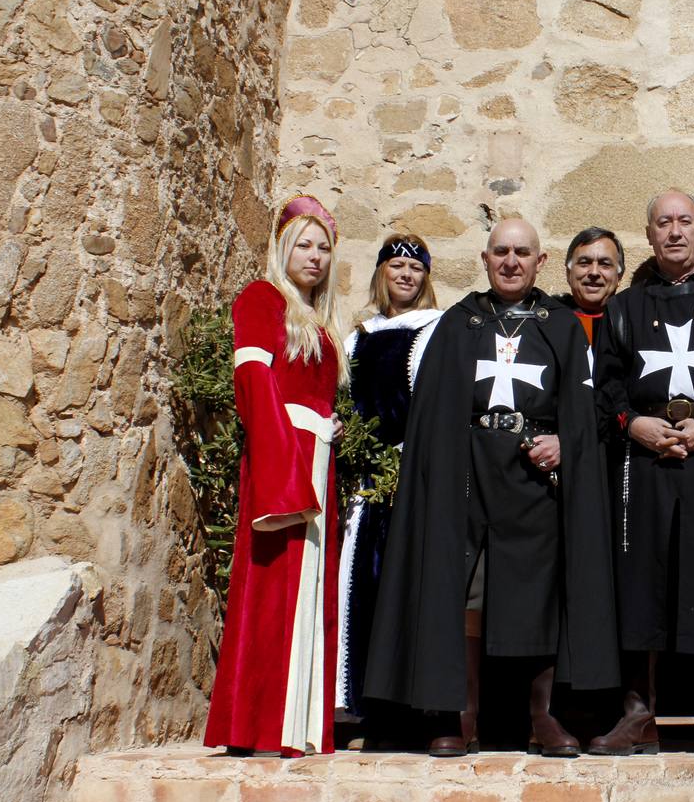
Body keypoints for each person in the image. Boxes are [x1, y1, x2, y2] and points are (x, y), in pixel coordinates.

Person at [364, 218, 618, 758]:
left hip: (535, 479)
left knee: (540, 593)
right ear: (484, 258)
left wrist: (562, 444)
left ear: (540, 261)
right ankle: (463, 715)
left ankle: (540, 718)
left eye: (522, 252)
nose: (510, 261)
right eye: (500, 251)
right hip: (469, 474)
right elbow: (434, 410)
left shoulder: (560, 325)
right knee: (467, 591)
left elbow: (582, 410)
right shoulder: (461, 324)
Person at [590, 189, 694, 756]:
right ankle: (638, 712)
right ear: (649, 235)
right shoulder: (625, 309)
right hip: (643, 458)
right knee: (640, 578)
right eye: (663, 223)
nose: (675, 232)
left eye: (685, 222)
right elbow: (605, 386)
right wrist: (633, 424)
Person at [204, 194, 348, 758]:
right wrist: (282, 469)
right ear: (283, 248)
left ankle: (295, 726)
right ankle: (255, 727)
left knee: (305, 589)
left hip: (317, 458)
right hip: (284, 460)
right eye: (304, 246)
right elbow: (256, 388)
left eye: (324, 248)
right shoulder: (262, 299)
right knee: (269, 589)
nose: (315, 257)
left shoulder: (318, 318)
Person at [335, 233, 442, 745]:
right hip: (364, 484)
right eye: (396, 265)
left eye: (415, 268)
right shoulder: (358, 335)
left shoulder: (433, 330)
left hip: (410, 478)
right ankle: (368, 711)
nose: (405, 274)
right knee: (364, 590)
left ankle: (414, 715)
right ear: (381, 272)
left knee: (409, 592)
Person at [559, 226, 625, 347]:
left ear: (619, 277)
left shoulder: (632, 324)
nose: (594, 273)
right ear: (568, 273)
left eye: (605, 264)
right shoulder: (548, 323)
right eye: (584, 263)